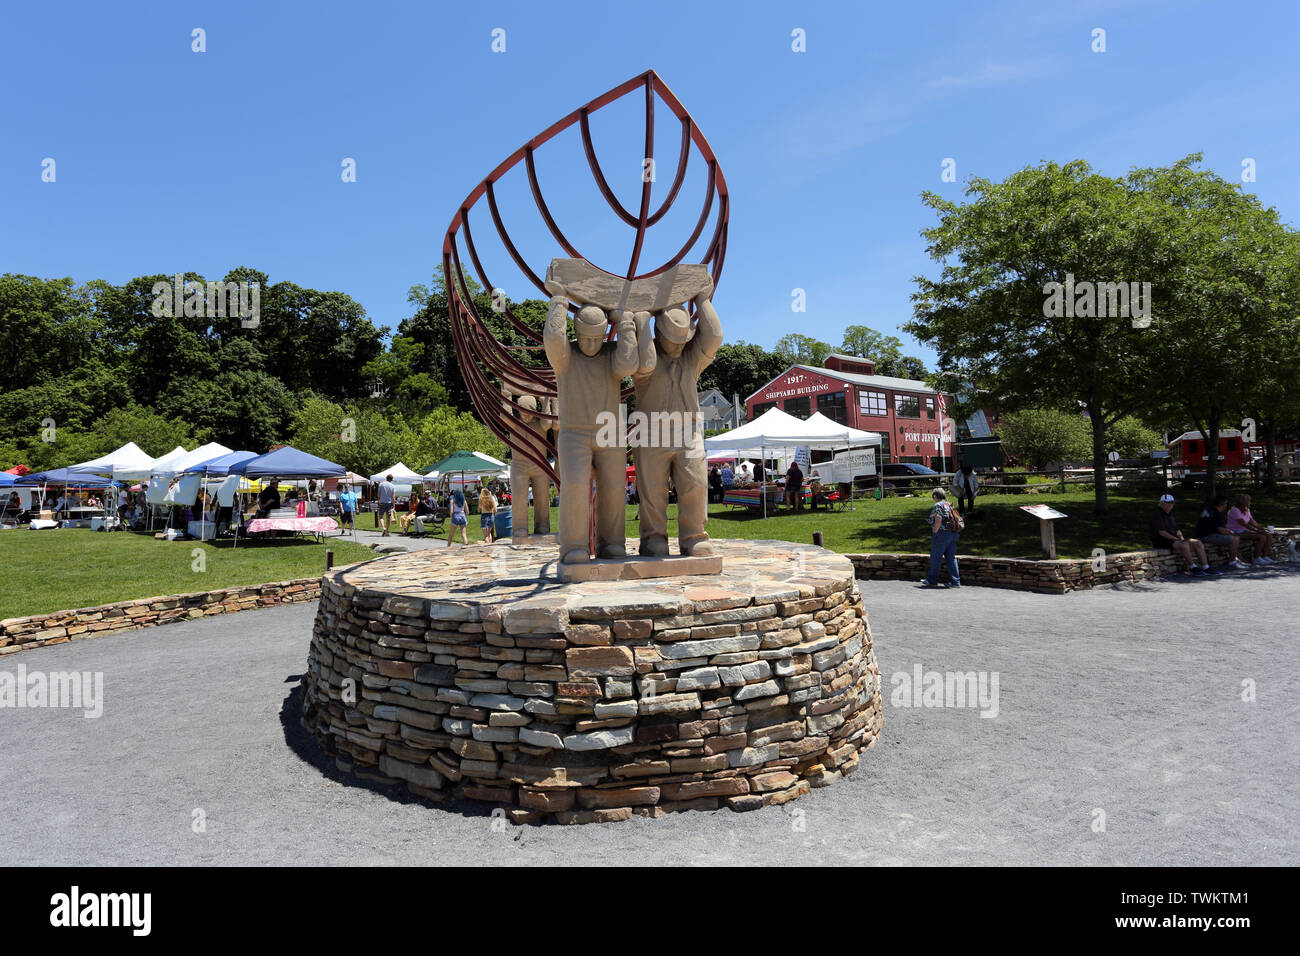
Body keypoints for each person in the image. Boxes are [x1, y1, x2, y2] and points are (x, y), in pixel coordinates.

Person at [1149, 493, 1216, 575]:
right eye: (1168, 502)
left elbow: (1177, 530)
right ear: (1161, 503)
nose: (1170, 504)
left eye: (1172, 502)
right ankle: (1192, 567)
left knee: (1197, 542)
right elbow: (1162, 532)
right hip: (1162, 541)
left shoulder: (1170, 514)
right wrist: (1178, 540)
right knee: (1184, 544)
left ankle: (1206, 567)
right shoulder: (1157, 514)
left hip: (1173, 540)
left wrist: (1182, 538)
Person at [921, 488, 961, 588]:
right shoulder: (949, 505)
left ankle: (932, 580)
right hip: (953, 534)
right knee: (951, 558)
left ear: (935, 496)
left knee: (935, 558)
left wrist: (935, 531)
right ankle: (955, 582)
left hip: (941, 534)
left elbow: (938, 519)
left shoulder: (938, 505)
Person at [1195, 497, 1248, 569]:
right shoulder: (1217, 513)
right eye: (1226, 504)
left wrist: (1228, 531)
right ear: (1222, 505)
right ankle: (1232, 562)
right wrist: (1232, 533)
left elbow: (1218, 526)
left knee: (1234, 538)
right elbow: (1221, 530)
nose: (1226, 505)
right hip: (1206, 536)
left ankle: (1236, 559)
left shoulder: (1209, 510)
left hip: (1202, 534)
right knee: (1235, 539)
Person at [1227, 493, 1275, 565]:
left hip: (1245, 530)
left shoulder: (1247, 510)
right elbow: (1245, 524)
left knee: (1268, 535)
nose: (1250, 502)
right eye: (1248, 501)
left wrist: (1263, 529)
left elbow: (1253, 522)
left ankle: (1265, 556)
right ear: (1243, 502)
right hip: (1236, 531)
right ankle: (1256, 558)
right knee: (1261, 537)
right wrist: (1259, 531)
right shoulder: (1235, 510)